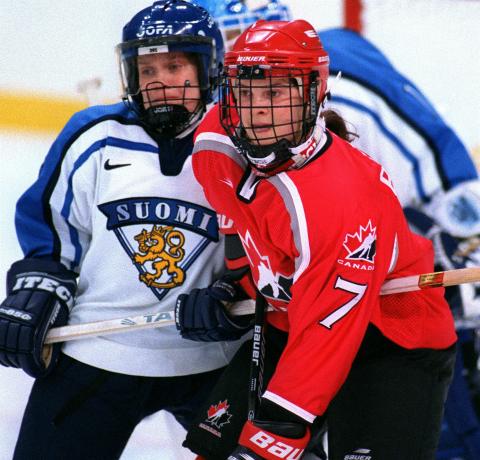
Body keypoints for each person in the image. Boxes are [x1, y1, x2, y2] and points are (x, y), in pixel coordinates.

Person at [198, 2, 480, 457]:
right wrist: (238, 281)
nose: (257, 109)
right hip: (296, 316)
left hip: (391, 328)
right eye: (245, 89)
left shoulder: (340, 194)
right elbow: (240, 217)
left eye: (275, 92)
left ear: (314, 93)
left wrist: (278, 431)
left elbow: (327, 327)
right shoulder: (214, 145)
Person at [0, 1, 252, 458]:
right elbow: (52, 228)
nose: (158, 82)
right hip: (97, 348)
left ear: (208, 69)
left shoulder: (242, 142)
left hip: (213, 356)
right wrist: (39, 287)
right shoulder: (94, 135)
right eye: (146, 69)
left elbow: (270, 246)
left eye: (174, 67)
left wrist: (233, 291)